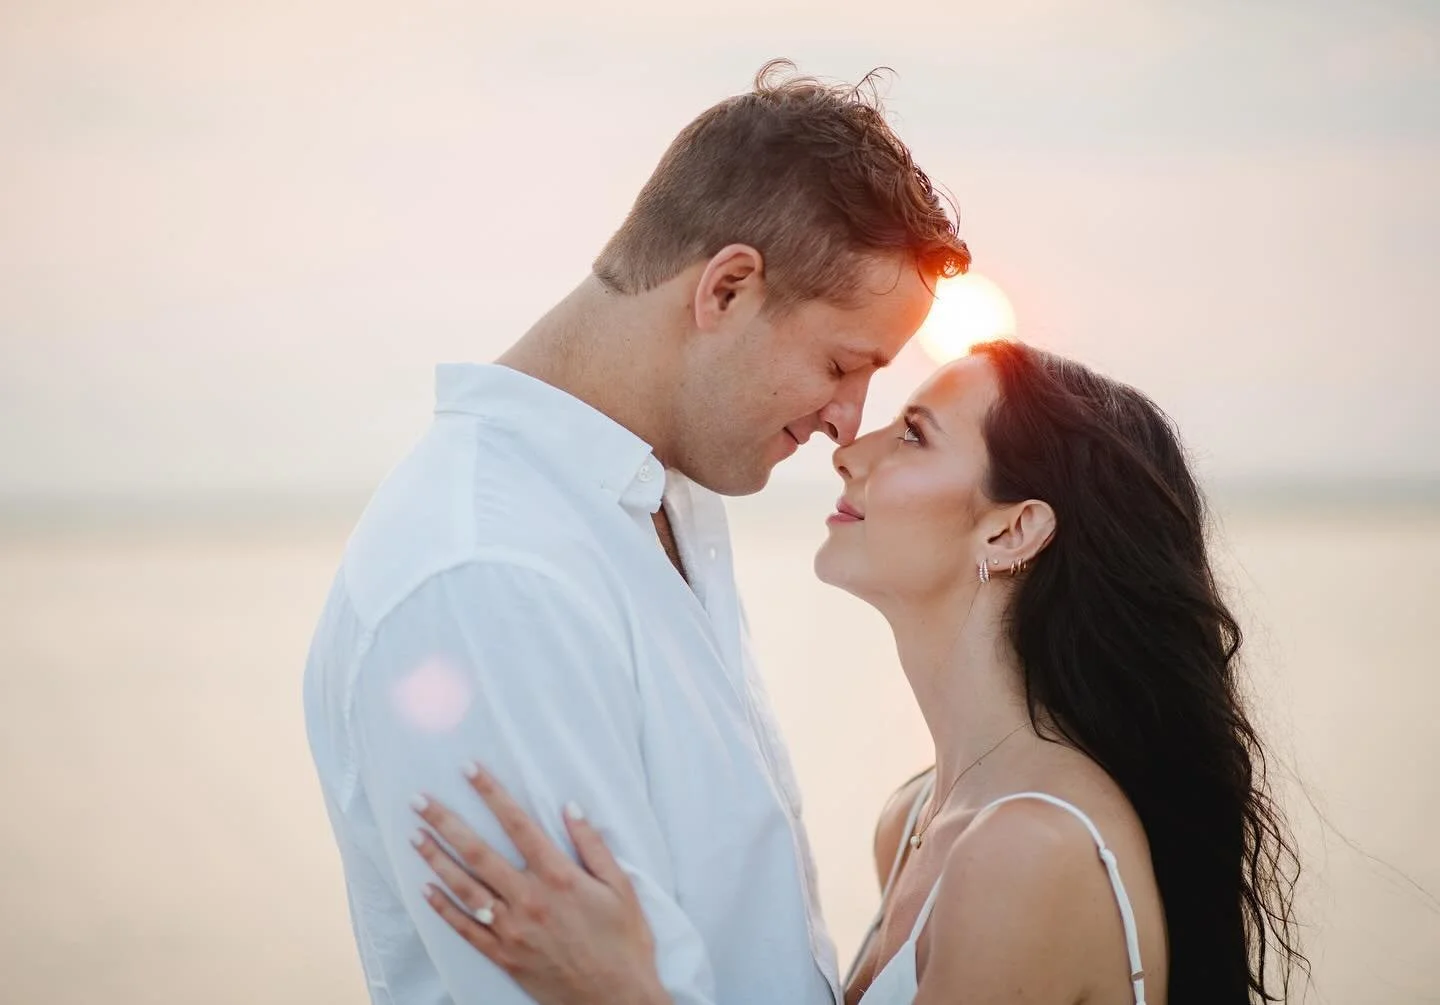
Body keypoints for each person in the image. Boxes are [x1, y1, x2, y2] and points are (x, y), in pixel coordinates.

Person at [302, 59, 969, 1005]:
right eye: (840, 363)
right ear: (728, 289)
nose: (847, 422)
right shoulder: (489, 576)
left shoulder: (662, 496)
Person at [407, 341, 1308, 1004]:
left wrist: (616, 993)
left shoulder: (1029, 853)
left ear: (1011, 529)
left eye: (913, 434)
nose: (850, 449)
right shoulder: (917, 817)